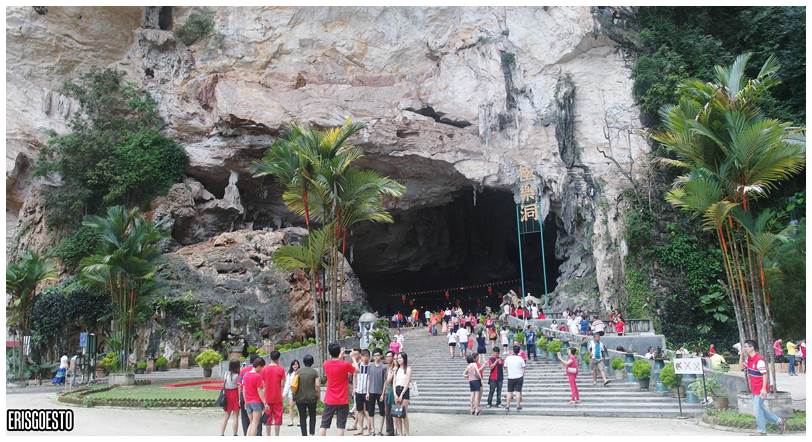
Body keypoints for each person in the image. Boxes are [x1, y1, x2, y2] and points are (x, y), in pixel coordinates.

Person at [741, 339, 786, 435]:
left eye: (746, 346)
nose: (744, 348)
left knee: (757, 410)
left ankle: (762, 431)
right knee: (760, 409)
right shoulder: (748, 359)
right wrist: (741, 355)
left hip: (761, 390)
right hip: (754, 389)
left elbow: (764, 374)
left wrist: (764, 389)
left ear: (752, 347)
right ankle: (779, 421)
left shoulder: (759, 359)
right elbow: (741, 367)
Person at [319, 343, 356, 436]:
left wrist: (340, 354)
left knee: (324, 425)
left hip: (330, 399)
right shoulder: (345, 365)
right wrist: (353, 357)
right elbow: (357, 370)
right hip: (342, 400)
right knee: (340, 426)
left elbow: (335, 363)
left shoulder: (326, 364)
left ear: (329, 352)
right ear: (339, 351)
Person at [260, 350, 286, 436]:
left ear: (270, 358)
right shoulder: (281, 370)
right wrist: (282, 395)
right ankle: (277, 436)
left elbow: (262, 385)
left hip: (267, 397)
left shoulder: (264, 369)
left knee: (268, 418)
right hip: (278, 397)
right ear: (278, 358)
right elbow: (282, 385)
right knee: (278, 418)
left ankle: (268, 436)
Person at [293, 354, 320, 436]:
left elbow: (294, 384)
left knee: (302, 417)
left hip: (299, 398)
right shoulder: (315, 372)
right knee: (312, 416)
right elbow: (317, 385)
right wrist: (318, 396)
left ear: (303, 362)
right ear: (312, 362)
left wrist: (294, 396)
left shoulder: (298, 371)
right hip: (312, 398)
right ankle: (312, 434)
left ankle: (304, 435)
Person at [242, 357, 266, 437]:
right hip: (256, 402)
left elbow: (244, 390)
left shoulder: (246, 375)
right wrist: (265, 402)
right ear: (259, 366)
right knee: (255, 424)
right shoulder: (258, 376)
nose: (262, 369)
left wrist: (245, 402)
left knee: (251, 423)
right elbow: (260, 391)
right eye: (262, 367)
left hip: (248, 402)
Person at [239, 355, 262, 436]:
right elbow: (260, 389)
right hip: (255, 399)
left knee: (248, 421)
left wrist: (241, 399)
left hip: (245, 397)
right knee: (256, 423)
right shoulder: (258, 372)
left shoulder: (244, 371)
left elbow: (241, 385)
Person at [366, 349, 387, 436]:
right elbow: (368, 379)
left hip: (380, 393)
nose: (376, 357)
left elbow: (385, 381)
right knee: (371, 411)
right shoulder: (370, 366)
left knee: (382, 412)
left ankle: (380, 430)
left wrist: (383, 393)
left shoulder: (384, 367)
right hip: (371, 392)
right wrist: (367, 392)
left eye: (378, 355)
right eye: (374, 355)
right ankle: (373, 430)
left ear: (381, 356)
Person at [392, 352, 412, 436]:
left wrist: (401, 395)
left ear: (404, 359)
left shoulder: (408, 369)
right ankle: (400, 434)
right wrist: (395, 394)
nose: (399, 360)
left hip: (404, 391)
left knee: (403, 414)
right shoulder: (395, 369)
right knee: (397, 415)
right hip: (396, 391)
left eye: (400, 358)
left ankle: (407, 433)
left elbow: (407, 383)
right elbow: (394, 382)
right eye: (398, 358)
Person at [219, 360, 241, 436]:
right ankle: (235, 434)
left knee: (226, 416)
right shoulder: (237, 375)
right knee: (235, 416)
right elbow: (239, 387)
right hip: (234, 394)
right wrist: (239, 399)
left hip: (227, 394)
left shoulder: (226, 374)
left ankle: (222, 433)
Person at [352, 349, 371, 435]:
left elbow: (370, 380)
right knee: (359, 411)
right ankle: (360, 429)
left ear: (369, 357)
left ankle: (369, 429)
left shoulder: (370, 367)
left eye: (367, 356)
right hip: (358, 391)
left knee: (367, 411)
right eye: (364, 356)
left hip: (367, 392)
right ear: (361, 357)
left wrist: (368, 392)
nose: (365, 358)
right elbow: (355, 377)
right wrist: (354, 388)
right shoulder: (358, 366)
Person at [504, 345, 526, 413]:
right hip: (519, 376)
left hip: (510, 377)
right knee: (518, 392)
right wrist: (522, 374)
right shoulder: (520, 359)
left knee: (509, 391)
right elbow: (523, 368)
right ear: (519, 351)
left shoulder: (508, 358)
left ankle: (507, 406)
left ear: (513, 351)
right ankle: (517, 405)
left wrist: (509, 373)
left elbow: (505, 367)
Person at [383, 351, 396, 436]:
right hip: (387, 393)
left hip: (394, 393)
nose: (388, 358)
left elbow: (389, 380)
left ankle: (399, 430)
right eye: (387, 356)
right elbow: (385, 381)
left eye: (389, 356)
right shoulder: (386, 368)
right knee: (387, 412)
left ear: (393, 357)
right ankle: (390, 431)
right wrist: (382, 393)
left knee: (396, 412)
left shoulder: (396, 368)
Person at [283, 359, 300, 427]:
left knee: (299, 407)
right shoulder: (289, 373)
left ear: (298, 365)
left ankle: (300, 421)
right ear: (291, 366)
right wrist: (284, 394)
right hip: (291, 392)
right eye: (293, 364)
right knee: (291, 406)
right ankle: (291, 421)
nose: (295, 366)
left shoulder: (300, 372)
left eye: (296, 364)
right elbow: (287, 384)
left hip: (299, 392)